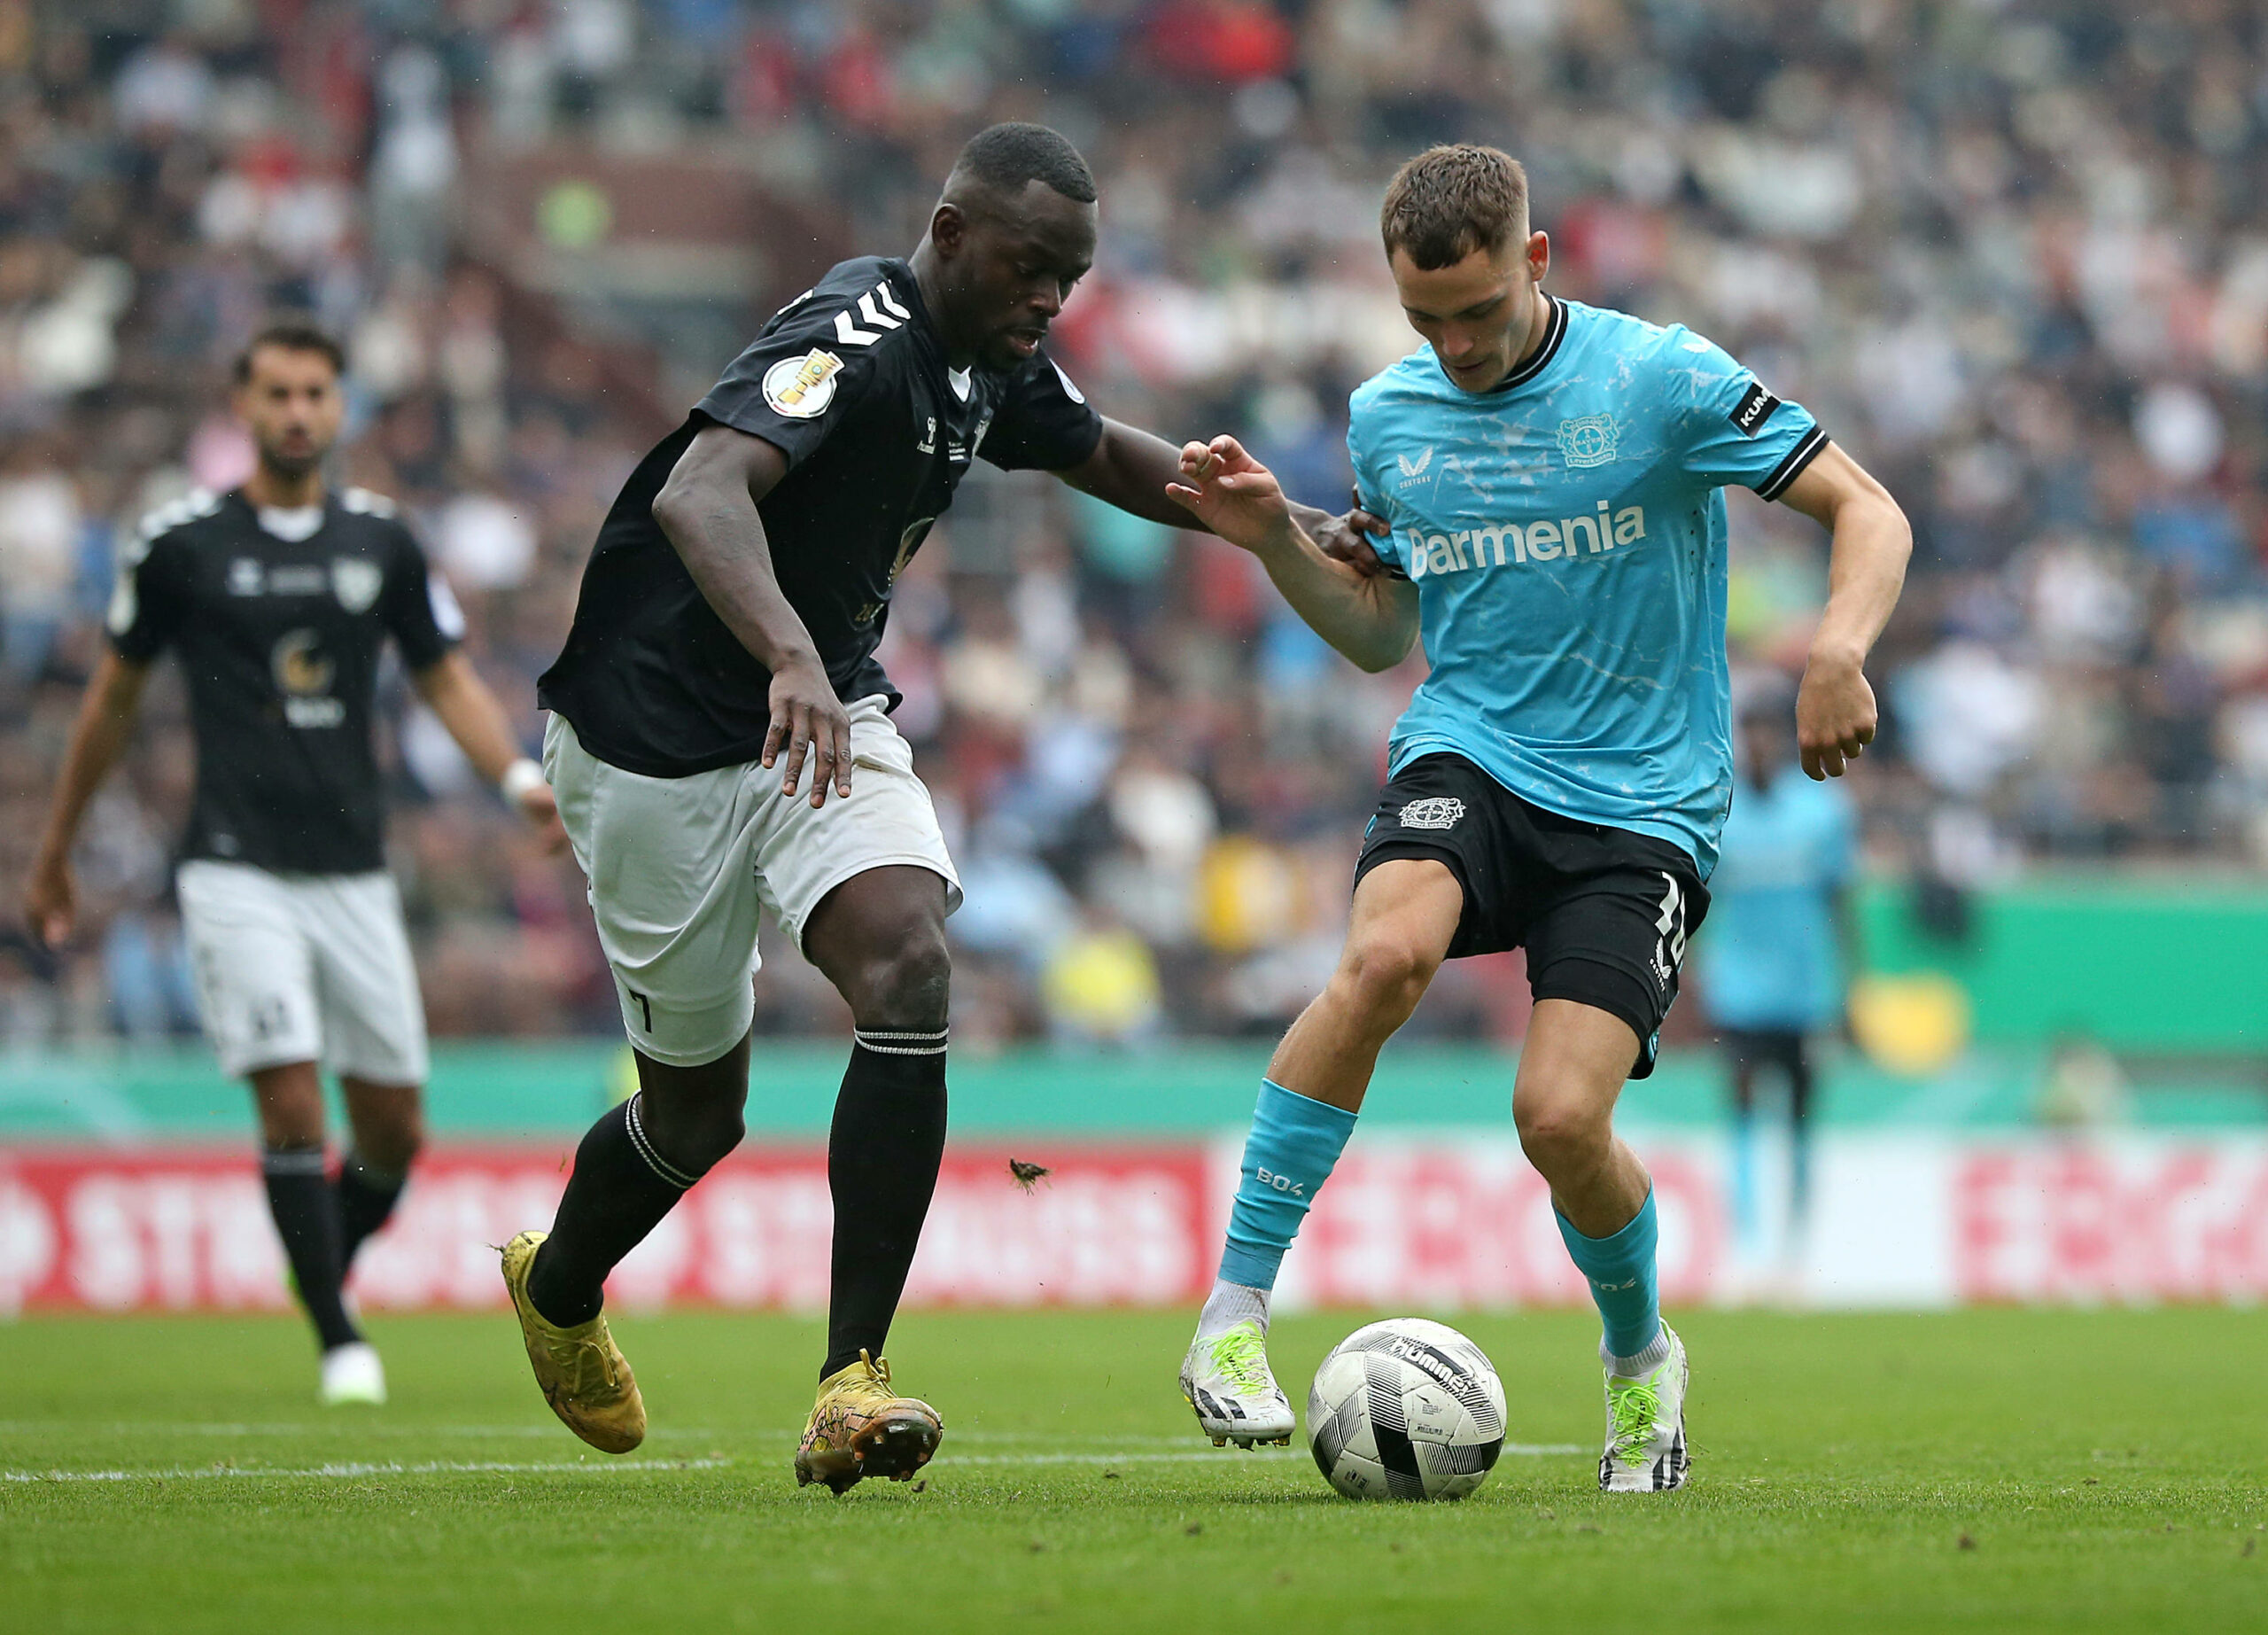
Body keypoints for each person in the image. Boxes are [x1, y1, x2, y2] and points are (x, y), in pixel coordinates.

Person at [501, 122, 1369, 1493]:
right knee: (694, 1119)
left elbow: (1107, 456)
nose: (1048, 302)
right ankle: (557, 1286)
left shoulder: (993, 362)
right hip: (652, 740)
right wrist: (786, 648)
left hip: (821, 716)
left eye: (1069, 281)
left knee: (909, 959)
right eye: (1030, 268)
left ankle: (852, 1382)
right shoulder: (857, 329)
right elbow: (700, 490)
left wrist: (1288, 524)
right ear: (952, 233)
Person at [1165, 144, 1910, 1492]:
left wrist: (1838, 650)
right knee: (1382, 958)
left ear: (1539, 261)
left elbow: (1870, 510)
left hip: (1644, 805)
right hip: (1475, 749)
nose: (1451, 345)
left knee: (1560, 1119)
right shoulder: (1387, 417)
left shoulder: (1659, 379)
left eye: (1477, 313)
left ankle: (1641, 1363)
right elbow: (1382, 633)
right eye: (1422, 319)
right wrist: (1274, 538)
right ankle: (1232, 1315)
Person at [25, 320, 563, 1405]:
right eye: (276, 393)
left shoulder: (381, 542)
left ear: (339, 406)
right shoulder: (180, 546)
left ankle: (319, 1253)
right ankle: (336, 1336)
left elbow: (444, 675)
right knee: (289, 1105)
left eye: (316, 393)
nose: (297, 413)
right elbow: (114, 700)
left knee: (395, 1132)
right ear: (243, 405)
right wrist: (56, 849)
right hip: (233, 866)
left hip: (353, 869)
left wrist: (513, 778)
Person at [1699, 696, 1860, 1266]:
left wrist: (1853, 987)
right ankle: (1745, 1243)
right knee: (1741, 1109)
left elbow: (1843, 901)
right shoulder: (1719, 809)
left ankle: (1798, 1245)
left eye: (1771, 734)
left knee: (1799, 1115)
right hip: (1739, 990)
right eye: (1753, 733)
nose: (1762, 745)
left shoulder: (1824, 811)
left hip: (1805, 991)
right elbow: (1698, 902)